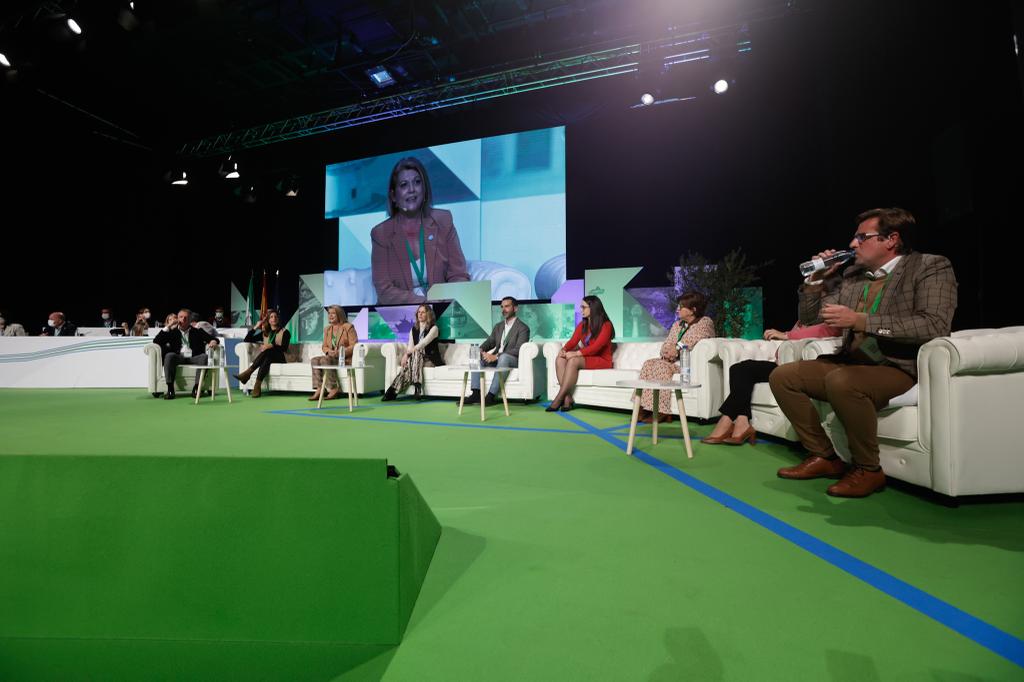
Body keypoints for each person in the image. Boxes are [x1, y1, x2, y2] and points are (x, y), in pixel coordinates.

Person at [768, 208, 957, 498]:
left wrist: (861, 320)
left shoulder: (929, 266)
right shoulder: (855, 275)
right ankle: (825, 457)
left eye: (861, 237)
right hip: (852, 362)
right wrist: (816, 280)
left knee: (842, 381)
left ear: (891, 239)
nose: (853, 244)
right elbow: (812, 317)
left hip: (897, 366)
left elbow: (933, 324)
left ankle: (868, 469)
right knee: (784, 376)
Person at [701, 321, 840, 445]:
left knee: (743, 370)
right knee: (738, 369)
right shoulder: (802, 322)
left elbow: (825, 331)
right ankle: (742, 421)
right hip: (778, 363)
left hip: (791, 368)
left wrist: (786, 335)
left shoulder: (829, 324)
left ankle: (727, 418)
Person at [370, 157, 469, 305]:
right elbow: (385, 291)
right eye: (404, 185)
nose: (411, 189)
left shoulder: (443, 221)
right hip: (400, 314)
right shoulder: (381, 234)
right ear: (393, 196)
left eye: (417, 182)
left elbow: (459, 274)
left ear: (424, 189)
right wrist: (426, 304)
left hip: (442, 309)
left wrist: (446, 304)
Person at [636, 292, 716, 424]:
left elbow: (693, 338)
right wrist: (666, 351)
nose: (678, 309)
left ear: (693, 310)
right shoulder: (677, 325)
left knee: (661, 366)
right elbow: (667, 342)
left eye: (682, 306)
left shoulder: (705, 322)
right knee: (648, 364)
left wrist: (677, 348)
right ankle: (643, 406)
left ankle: (662, 410)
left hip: (686, 365)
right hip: (671, 361)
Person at [547, 295, 614, 412]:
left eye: (584, 307)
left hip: (602, 360)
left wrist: (576, 353)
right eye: (581, 307)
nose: (581, 310)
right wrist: (564, 349)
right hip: (588, 357)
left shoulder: (606, 325)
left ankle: (559, 398)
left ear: (593, 308)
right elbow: (573, 341)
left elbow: (596, 347)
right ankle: (567, 398)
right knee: (560, 359)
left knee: (573, 360)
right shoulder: (583, 325)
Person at [466, 297, 531, 406]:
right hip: (497, 358)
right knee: (475, 354)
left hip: (512, 359)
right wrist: (480, 350)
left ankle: (491, 396)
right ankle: (476, 393)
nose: (503, 309)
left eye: (507, 306)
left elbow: (518, 349)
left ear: (515, 308)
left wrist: (496, 356)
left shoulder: (523, 328)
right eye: (502, 307)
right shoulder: (498, 326)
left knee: (503, 357)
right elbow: (490, 342)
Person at [152, 308, 221, 400]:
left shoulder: (197, 331)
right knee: (169, 356)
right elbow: (156, 341)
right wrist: (168, 325)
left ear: (189, 320)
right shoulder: (173, 331)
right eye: (180, 317)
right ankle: (170, 389)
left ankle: (197, 388)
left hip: (193, 357)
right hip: (179, 357)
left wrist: (213, 341)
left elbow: (214, 339)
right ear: (177, 318)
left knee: (204, 357)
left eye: (186, 318)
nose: (183, 319)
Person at [382, 304, 443, 401]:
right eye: (419, 312)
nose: (420, 314)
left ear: (428, 315)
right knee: (414, 357)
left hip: (430, 359)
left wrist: (408, 355)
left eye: (423, 312)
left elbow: (423, 343)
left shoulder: (434, 328)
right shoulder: (413, 329)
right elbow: (410, 346)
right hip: (417, 359)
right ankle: (417, 386)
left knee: (416, 353)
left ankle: (393, 389)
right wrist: (406, 356)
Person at [235, 309, 291, 398]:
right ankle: (257, 385)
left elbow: (284, 348)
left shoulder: (285, 332)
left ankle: (248, 374)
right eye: (271, 317)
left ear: (278, 319)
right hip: (269, 357)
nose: (274, 319)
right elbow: (247, 340)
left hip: (280, 357)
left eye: (276, 317)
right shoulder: (265, 333)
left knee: (268, 350)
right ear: (268, 320)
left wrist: (271, 346)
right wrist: (255, 327)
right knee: (267, 356)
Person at [310, 305, 358, 402]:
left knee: (325, 359)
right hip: (332, 356)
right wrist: (329, 351)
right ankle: (319, 388)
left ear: (339, 315)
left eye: (333, 313)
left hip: (344, 358)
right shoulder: (327, 329)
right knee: (314, 360)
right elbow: (324, 346)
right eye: (329, 314)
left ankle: (334, 388)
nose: (330, 316)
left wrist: (341, 352)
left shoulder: (348, 327)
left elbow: (354, 345)